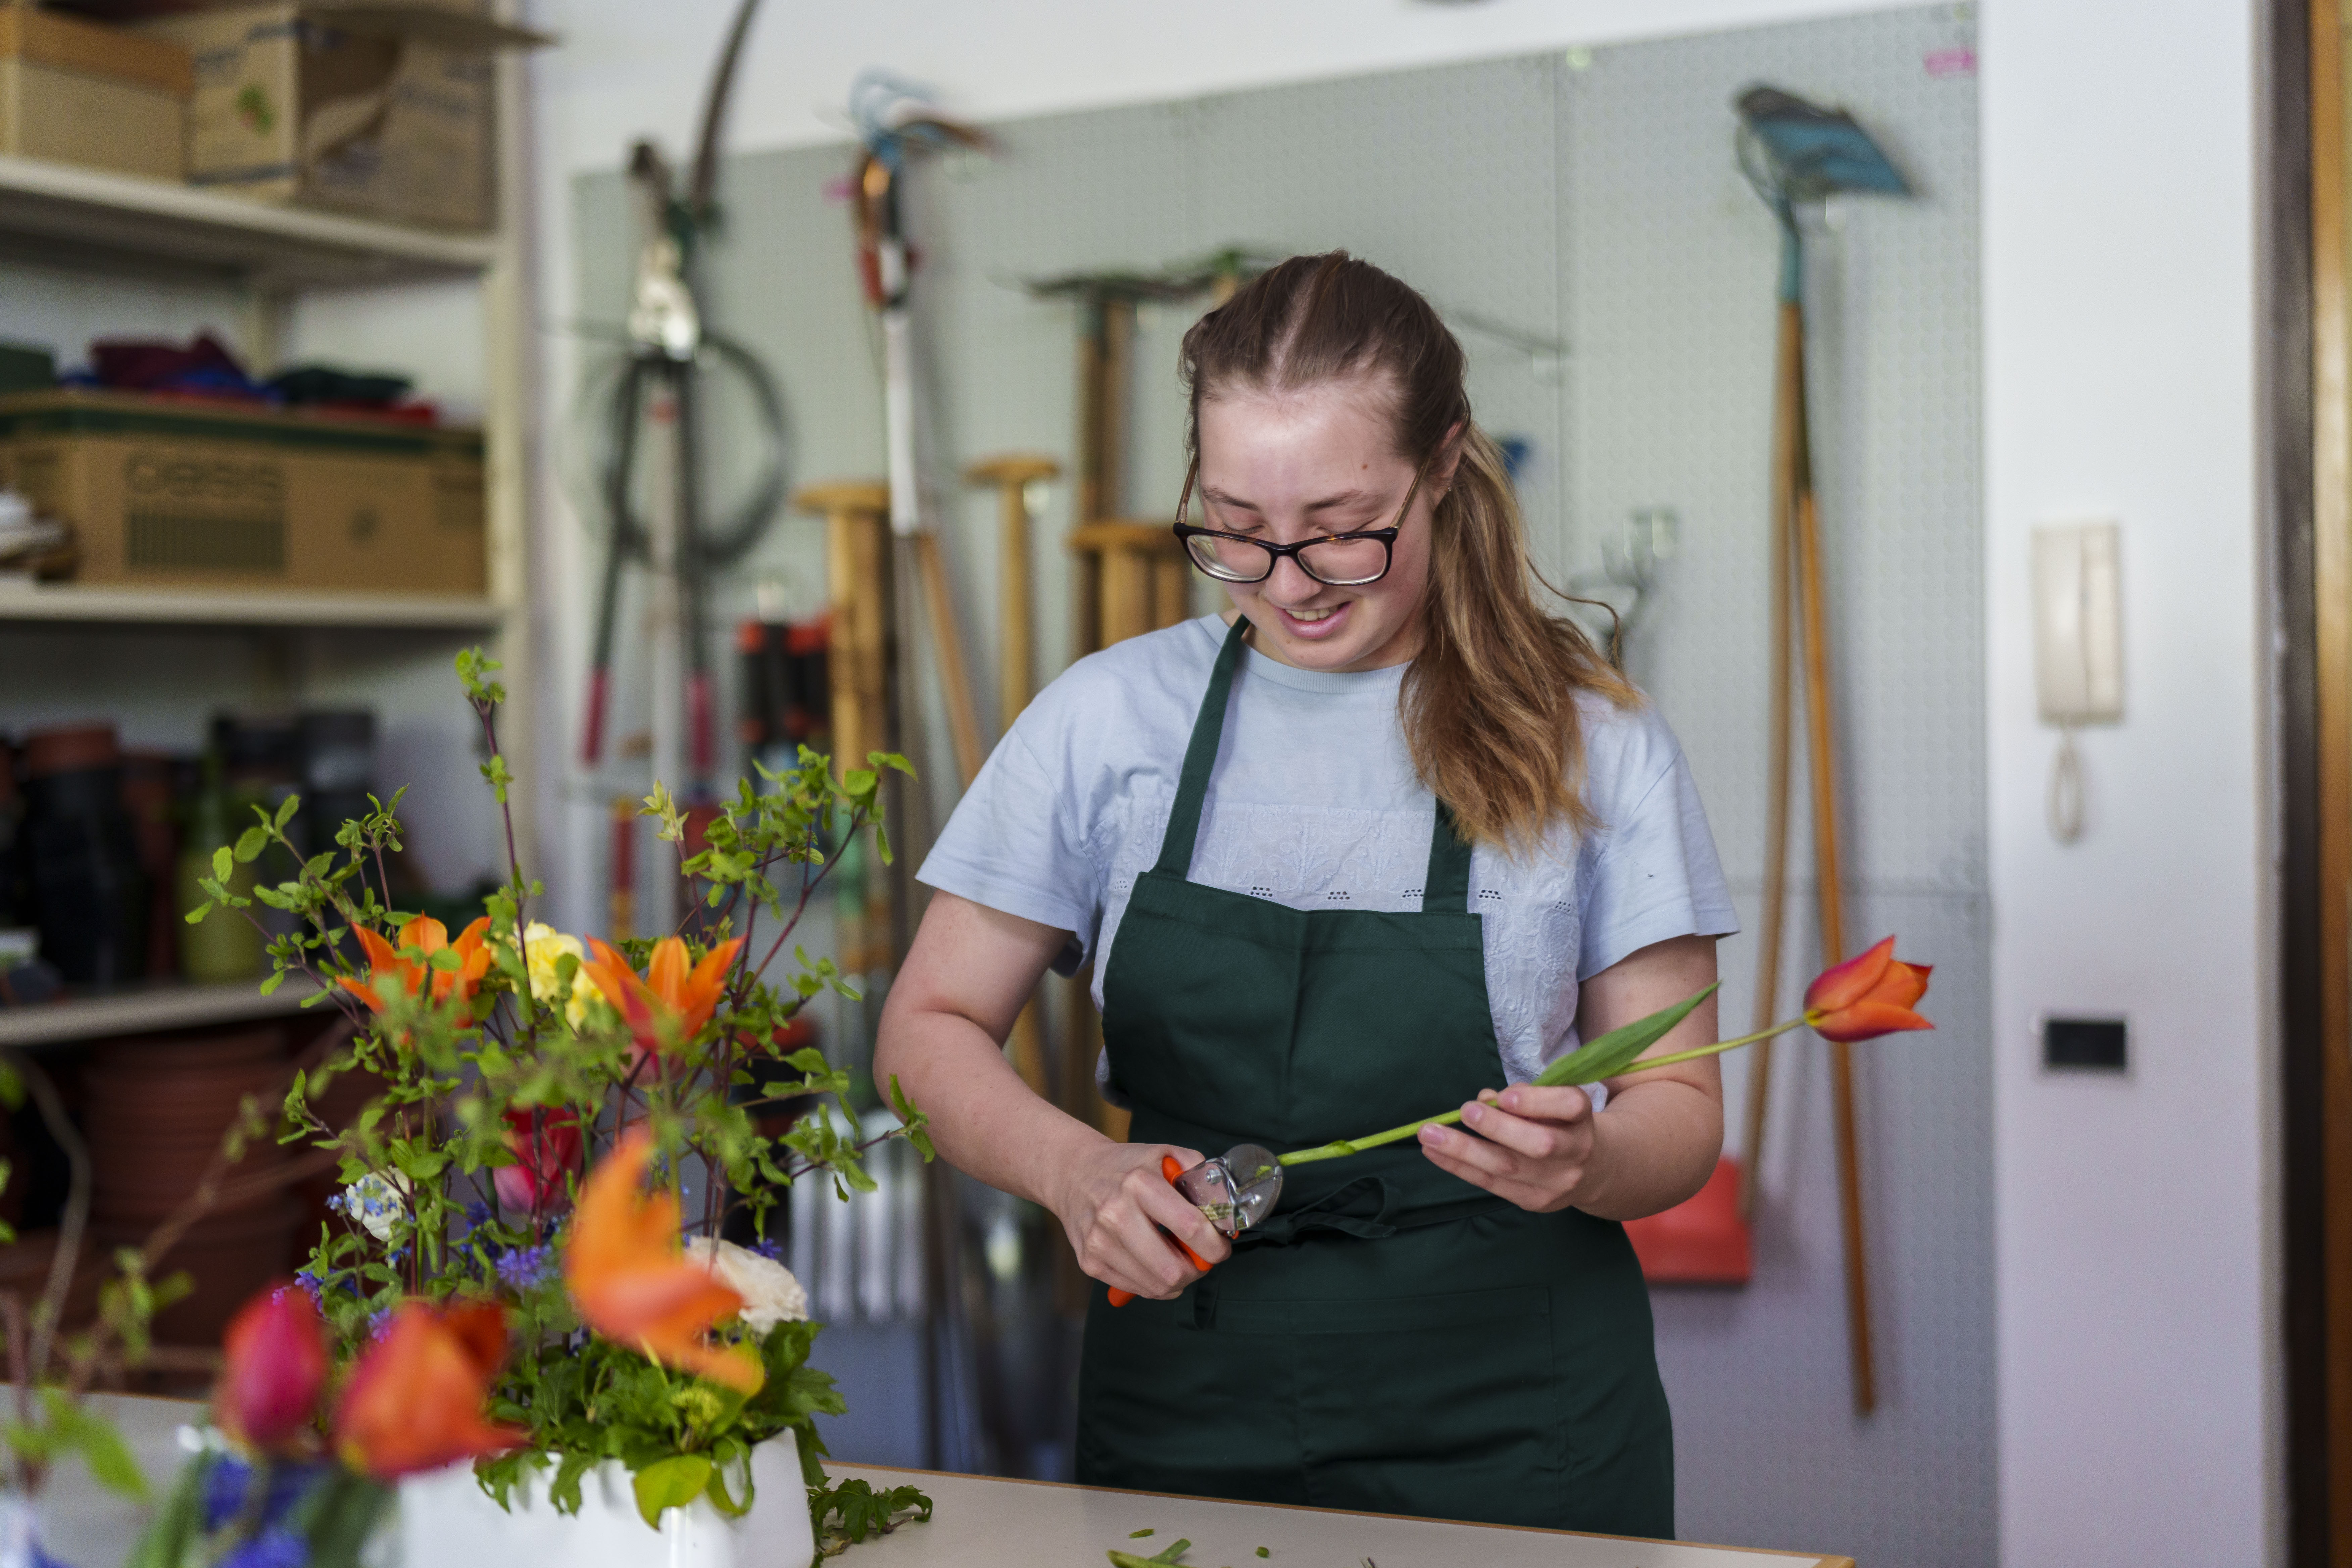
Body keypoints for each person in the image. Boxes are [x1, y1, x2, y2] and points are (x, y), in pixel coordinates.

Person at [875, 251, 1737, 1537]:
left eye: (1341, 529)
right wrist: (1076, 1171)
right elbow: (925, 1030)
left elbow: (1682, 1108)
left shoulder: (1593, 742)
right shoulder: (1109, 720)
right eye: (1236, 527)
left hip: (1518, 1418)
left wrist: (1592, 1159)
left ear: (1443, 464)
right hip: (1186, 1396)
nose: (1286, 582)